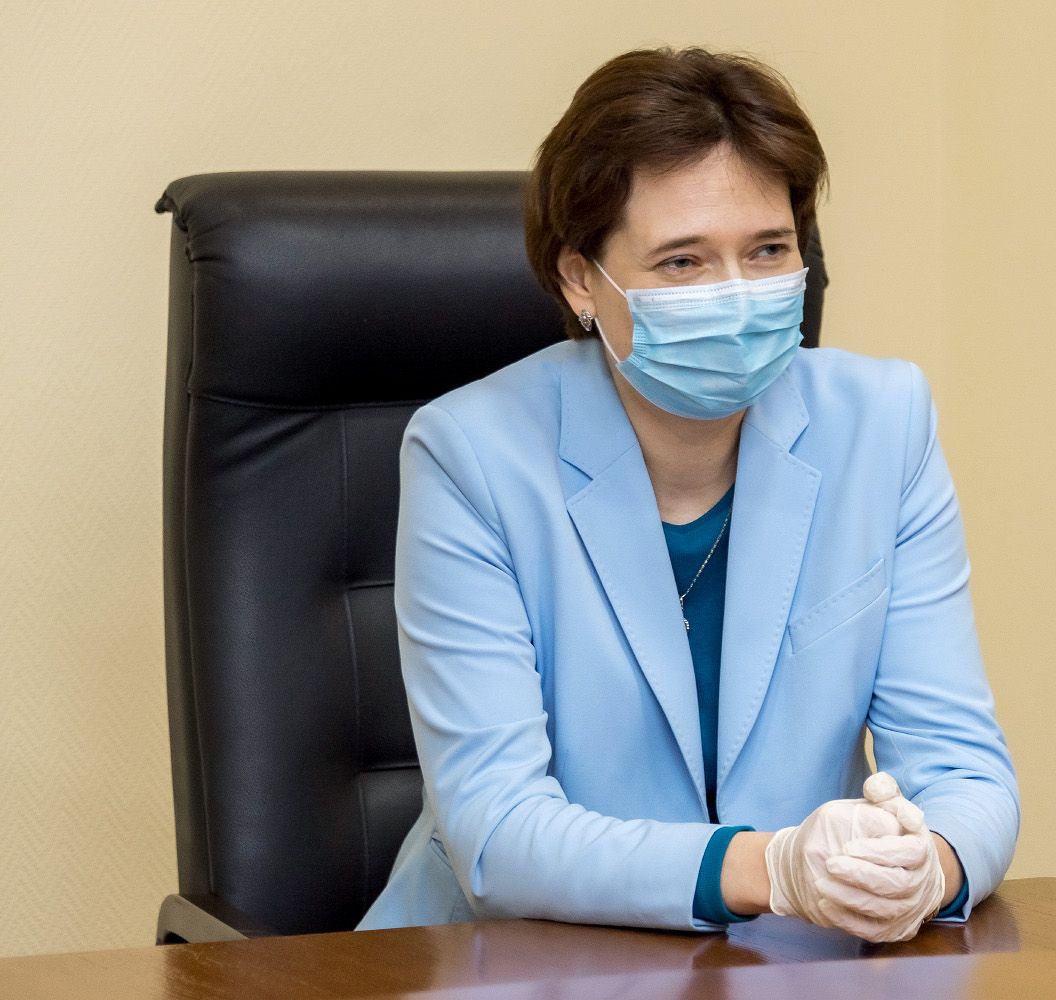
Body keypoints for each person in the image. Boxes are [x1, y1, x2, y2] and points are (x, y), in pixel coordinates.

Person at [357, 46, 1018, 943]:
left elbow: (966, 772)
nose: (737, 296)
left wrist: (926, 866)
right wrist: (770, 869)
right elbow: (497, 833)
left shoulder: (883, 423)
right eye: (682, 262)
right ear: (580, 279)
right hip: (524, 961)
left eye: (768, 250)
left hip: (791, 964)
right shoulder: (471, 454)